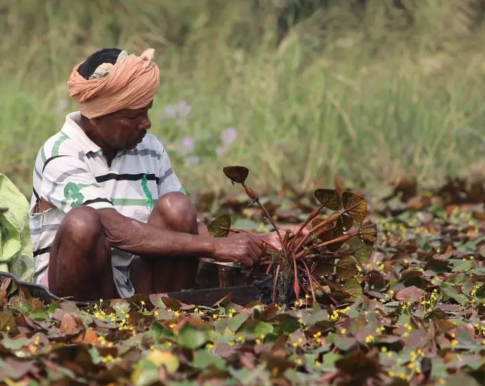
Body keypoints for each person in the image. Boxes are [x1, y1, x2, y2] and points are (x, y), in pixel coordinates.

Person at [28, 47, 299, 301]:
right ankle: (83, 321)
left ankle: (167, 315)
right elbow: (114, 229)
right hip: (74, 294)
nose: (146, 123)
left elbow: (186, 229)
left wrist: (265, 241)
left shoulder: (150, 149)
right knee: (83, 223)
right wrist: (214, 247)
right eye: (133, 116)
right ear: (98, 115)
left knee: (177, 207)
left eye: (147, 112)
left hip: (134, 287)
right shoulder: (60, 152)